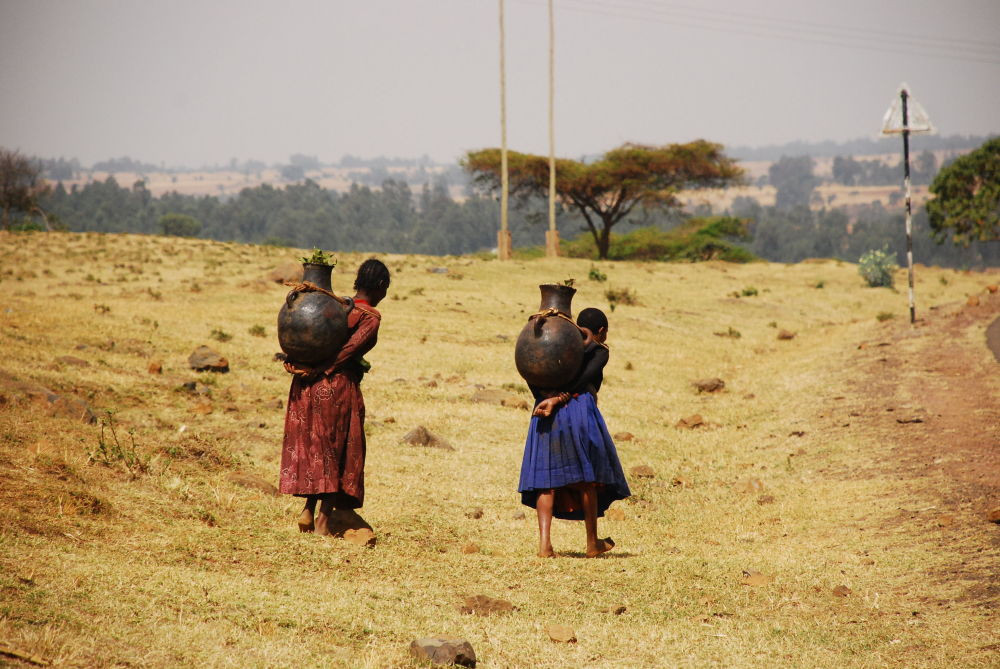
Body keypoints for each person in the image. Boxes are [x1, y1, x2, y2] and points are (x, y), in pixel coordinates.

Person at [279, 258, 391, 536]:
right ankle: (323, 522)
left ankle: (307, 510)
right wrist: (321, 370)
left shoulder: (334, 305)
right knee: (338, 450)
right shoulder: (370, 317)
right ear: (380, 286)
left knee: (315, 448)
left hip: (305, 386)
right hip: (336, 386)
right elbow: (346, 352)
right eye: (385, 288)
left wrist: (305, 369)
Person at [518, 307, 631, 558]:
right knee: (587, 480)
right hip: (579, 409)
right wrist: (559, 398)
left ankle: (545, 545)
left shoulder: (553, 341)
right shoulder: (599, 350)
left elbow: (528, 365)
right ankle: (592, 543)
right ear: (601, 331)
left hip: (544, 410)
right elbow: (583, 379)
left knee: (545, 480)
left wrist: (545, 396)